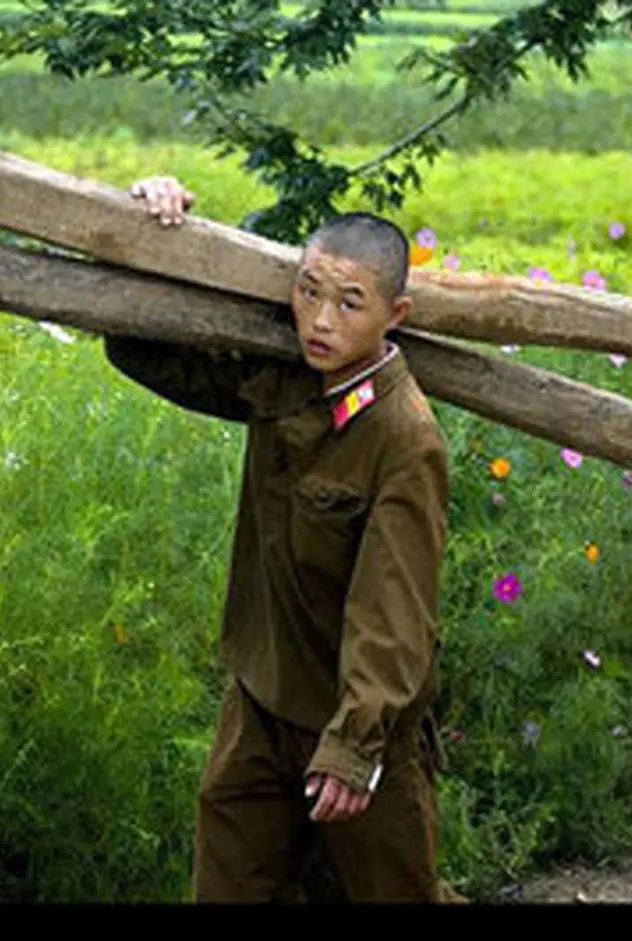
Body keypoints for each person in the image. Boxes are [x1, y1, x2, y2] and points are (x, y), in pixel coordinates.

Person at [103, 175, 462, 903]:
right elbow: (145, 352)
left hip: (359, 723)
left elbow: (393, 609)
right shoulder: (285, 378)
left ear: (395, 315)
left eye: (350, 303)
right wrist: (146, 230)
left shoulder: (403, 438)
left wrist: (354, 743)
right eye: (308, 292)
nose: (320, 320)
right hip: (261, 701)